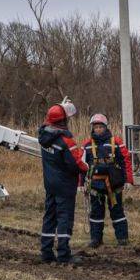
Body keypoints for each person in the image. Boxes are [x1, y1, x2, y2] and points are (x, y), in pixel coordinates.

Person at [38, 100, 88, 264]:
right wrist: (86, 167)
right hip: (65, 185)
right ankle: (64, 254)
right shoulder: (66, 141)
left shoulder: (44, 136)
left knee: (49, 216)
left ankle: (46, 252)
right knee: (64, 218)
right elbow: (75, 164)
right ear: (63, 121)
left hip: (50, 183)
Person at [81, 113, 133, 247]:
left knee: (117, 211)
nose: (98, 129)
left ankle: (122, 239)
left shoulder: (116, 142)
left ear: (105, 127)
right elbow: (81, 165)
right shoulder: (87, 145)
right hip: (96, 184)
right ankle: (96, 239)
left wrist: (128, 180)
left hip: (114, 183)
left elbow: (126, 161)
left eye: (100, 127)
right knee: (96, 212)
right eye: (95, 127)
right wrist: (80, 183)